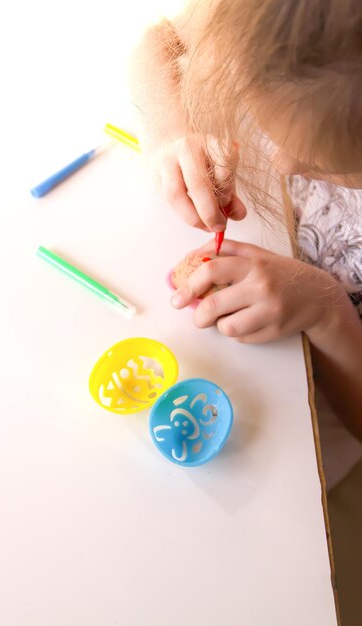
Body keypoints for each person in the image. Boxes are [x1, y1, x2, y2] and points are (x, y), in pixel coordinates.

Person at [129, 1, 362, 623]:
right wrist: (171, 123)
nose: (282, 166)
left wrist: (328, 309)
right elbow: (162, 42)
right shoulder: (302, 20)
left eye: (322, 166)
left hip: (322, 434)